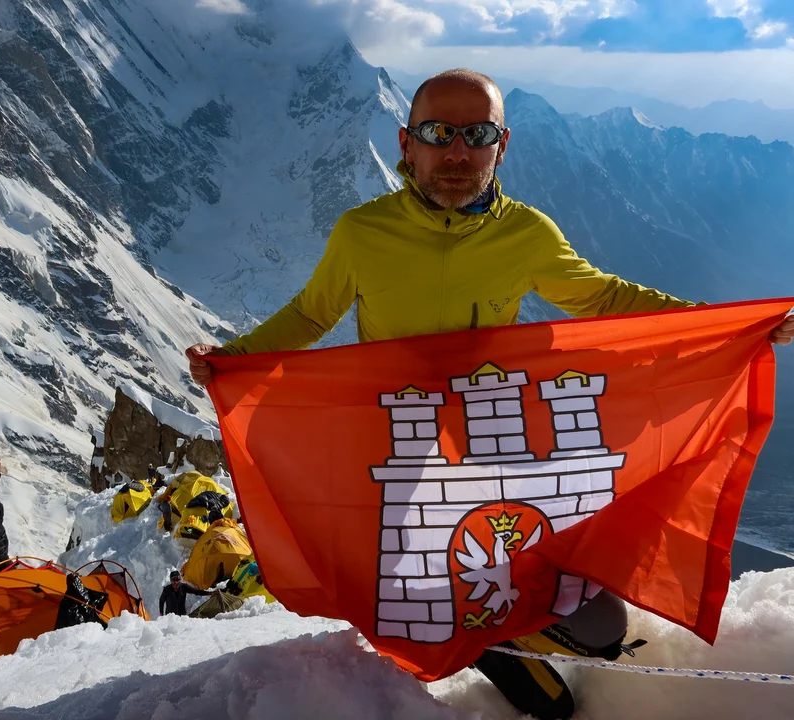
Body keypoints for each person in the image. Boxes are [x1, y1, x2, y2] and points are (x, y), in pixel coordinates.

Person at [184, 68, 793, 719]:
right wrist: (236, 361)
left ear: (502, 145)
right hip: (402, 460)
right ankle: (482, 637)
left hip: (491, 450)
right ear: (406, 142)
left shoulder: (526, 235)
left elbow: (605, 299)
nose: (456, 152)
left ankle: (494, 627)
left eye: (476, 134)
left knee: (602, 628)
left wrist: (717, 328)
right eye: (438, 133)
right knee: (442, 626)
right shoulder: (362, 235)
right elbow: (310, 315)